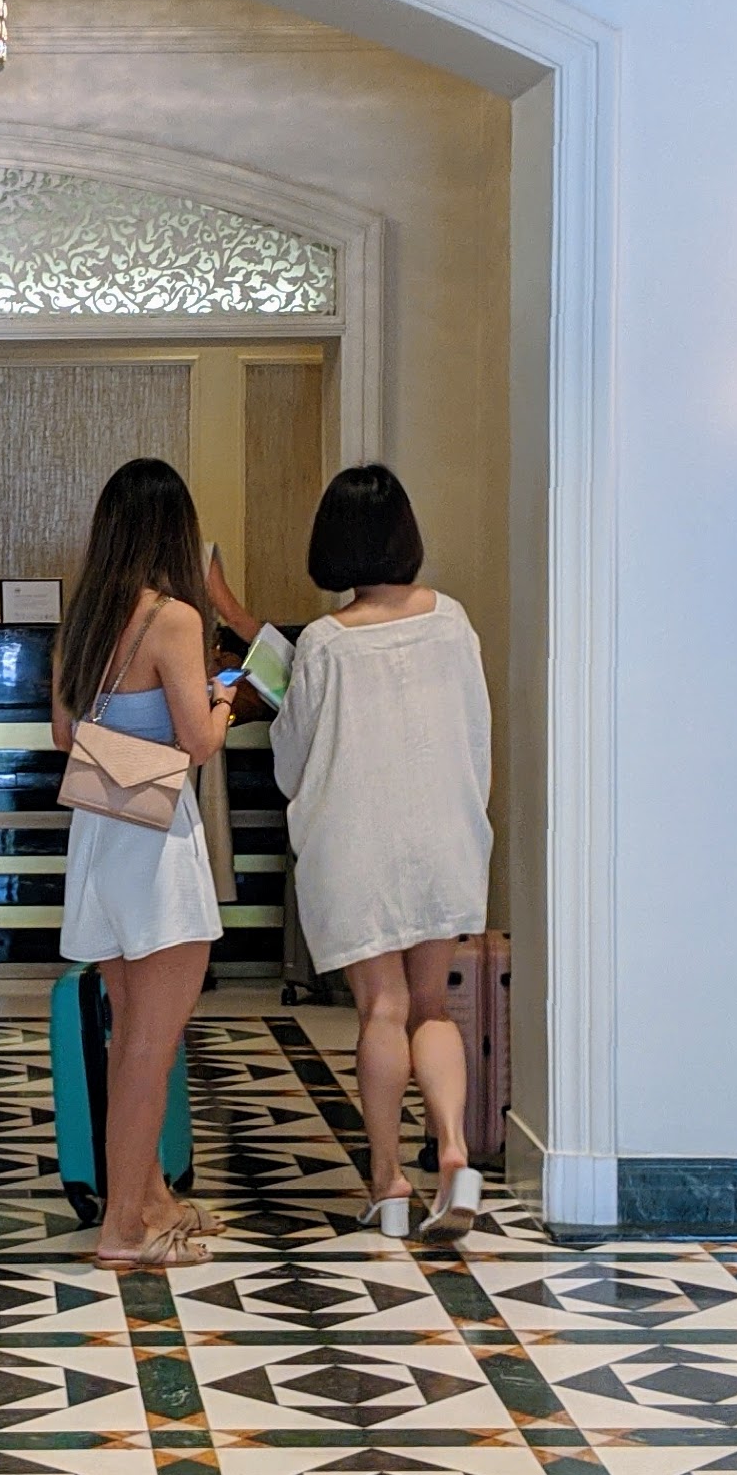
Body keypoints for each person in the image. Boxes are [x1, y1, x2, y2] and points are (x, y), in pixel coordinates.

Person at [272, 466, 494, 1241]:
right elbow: (477, 734)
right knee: (431, 1006)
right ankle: (455, 1151)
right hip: (443, 832)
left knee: (382, 1010)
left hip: (358, 841)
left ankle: (388, 1179)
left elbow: (293, 763)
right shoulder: (453, 622)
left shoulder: (325, 644)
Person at [52, 458, 236, 1269]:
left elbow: (65, 737)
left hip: (100, 834)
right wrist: (226, 700)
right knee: (148, 1049)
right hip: (158, 842)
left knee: (131, 1033)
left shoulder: (83, 619)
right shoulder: (175, 619)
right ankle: (124, 1227)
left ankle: (153, 1197)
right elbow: (196, 743)